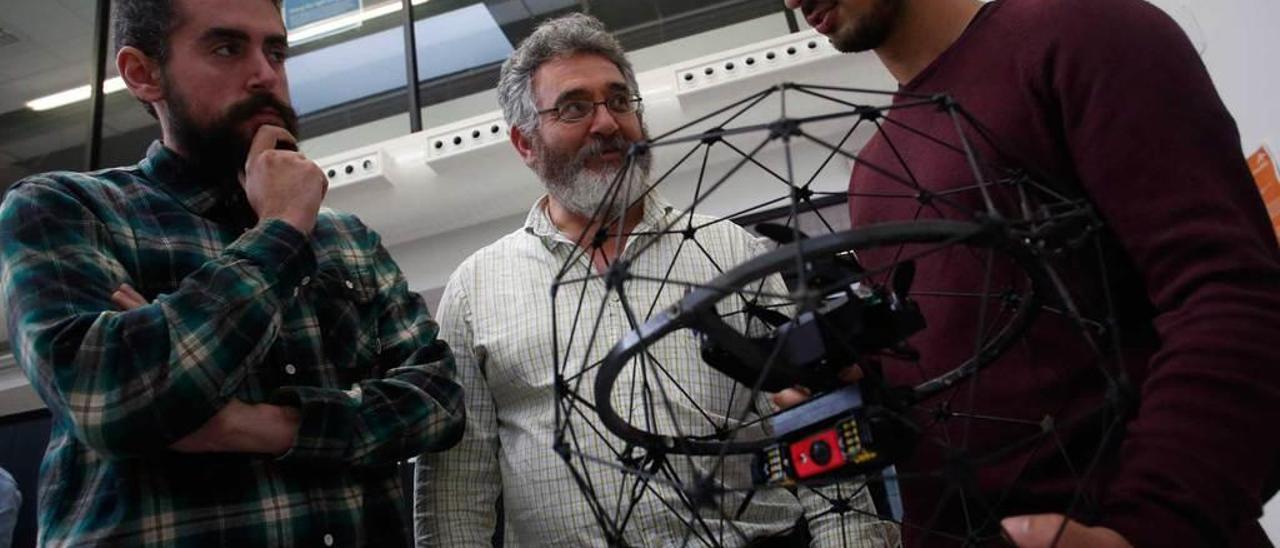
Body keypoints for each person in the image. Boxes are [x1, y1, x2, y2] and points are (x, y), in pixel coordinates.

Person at [781, 0, 1280, 546]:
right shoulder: (873, 177)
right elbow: (978, 369)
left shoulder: (1080, 34)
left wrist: (1147, 529)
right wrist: (862, 380)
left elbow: (1229, 295)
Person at [413, 13, 899, 547]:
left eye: (619, 101)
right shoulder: (474, 288)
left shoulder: (731, 250)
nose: (607, 123)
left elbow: (816, 417)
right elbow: (458, 488)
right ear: (525, 143)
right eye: (575, 107)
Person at [0, 0, 465, 545]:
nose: (266, 75)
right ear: (143, 74)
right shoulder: (66, 209)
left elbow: (437, 403)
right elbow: (112, 399)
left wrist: (254, 424)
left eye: (276, 51)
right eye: (226, 48)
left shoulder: (346, 238)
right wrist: (282, 229)